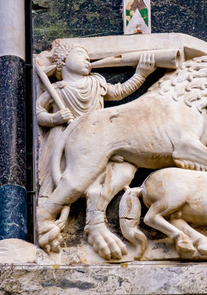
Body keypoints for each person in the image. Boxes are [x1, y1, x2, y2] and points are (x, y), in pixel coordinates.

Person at [36, 40, 156, 196]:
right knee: (60, 170)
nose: (87, 59)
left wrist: (141, 74)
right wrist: (54, 118)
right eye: (80, 54)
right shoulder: (58, 89)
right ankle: (49, 198)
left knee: (94, 172)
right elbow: (39, 112)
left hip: (93, 137)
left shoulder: (96, 83)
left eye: (88, 57)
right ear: (63, 60)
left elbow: (119, 92)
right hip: (64, 136)